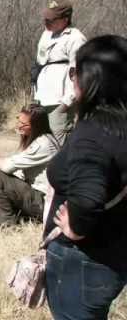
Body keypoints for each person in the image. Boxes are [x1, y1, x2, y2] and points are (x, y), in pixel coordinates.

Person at [44, 35, 127, 319]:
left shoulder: (91, 135)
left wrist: (75, 227)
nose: (72, 79)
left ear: (90, 79)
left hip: (82, 263)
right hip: (115, 254)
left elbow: (88, 199)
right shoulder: (120, 124)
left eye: (73, 71)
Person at [0, 104, 59, 227]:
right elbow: (17, 169)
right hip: (43, 199)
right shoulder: (42, 139)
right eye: (18, 120)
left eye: (24, 124)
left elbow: (7, 167)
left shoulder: (43, 144)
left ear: (36, 126)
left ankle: (6, 225)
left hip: (46, 203)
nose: (19, 126)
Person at [33, 0, 87, 145]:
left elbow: (80, 74)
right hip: (42, 98)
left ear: (65, 19)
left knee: (61, 143)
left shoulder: (76, 38)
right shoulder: (46, 34)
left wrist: (66, 103)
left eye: (51, 19)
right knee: (41, 142)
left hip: (60, 101)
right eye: (45, 19)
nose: (46, 22)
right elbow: (41, 60)